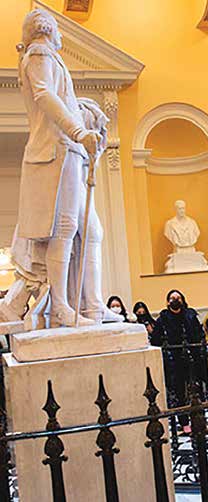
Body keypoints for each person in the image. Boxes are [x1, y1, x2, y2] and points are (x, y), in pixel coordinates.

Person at [12, 9, 122, 327]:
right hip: (56, 153)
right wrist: (79, 132)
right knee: (63, 230)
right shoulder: (39, 53)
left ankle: (92, 304)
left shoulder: (50, 57)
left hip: (71, 153)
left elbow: (63, 100)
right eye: (59, 30)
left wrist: (87, 134)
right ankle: (61, 307)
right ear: (49, 30)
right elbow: (44, 94)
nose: (61, 37)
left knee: (92, 231)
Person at [150, 290, 206, 434]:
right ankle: (184, 422)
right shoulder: (163, 317)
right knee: (180, 392)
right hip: (175, 358)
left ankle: (199, 419)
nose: (175, 300)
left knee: (197, 389)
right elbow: (156, 338)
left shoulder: (190, 314)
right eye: (172, 298)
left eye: (178, 298)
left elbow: (199, 333)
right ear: (168, 301)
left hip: (192, 356)